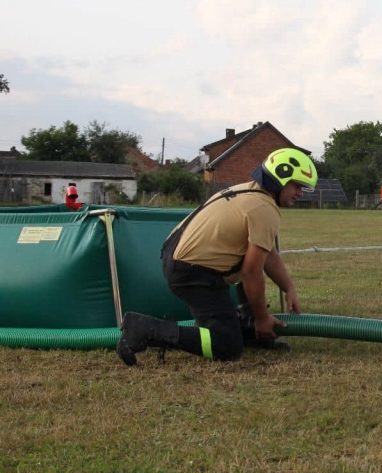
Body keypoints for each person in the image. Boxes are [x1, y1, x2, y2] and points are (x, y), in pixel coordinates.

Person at [116, 148, 317, 366]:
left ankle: (249, 331)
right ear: (279, 180)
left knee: (245, 264)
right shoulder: (263, 208)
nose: (301, 193)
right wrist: (262, 318)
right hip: (194, 272)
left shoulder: (249, 191)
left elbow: (268, 254)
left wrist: (289, 287)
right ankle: (143, 329)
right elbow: (251, 272)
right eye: (297, 185)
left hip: (184, 263)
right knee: (226, 346)